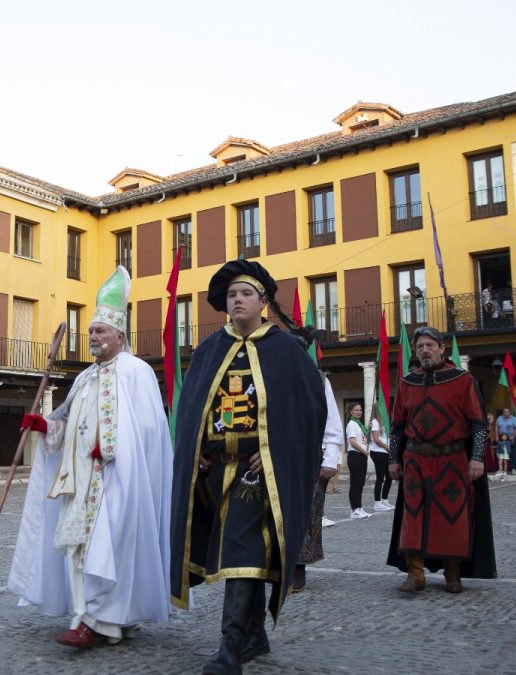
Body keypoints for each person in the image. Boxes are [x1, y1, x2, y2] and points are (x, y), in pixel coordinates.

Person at [170, 260, 326, 673]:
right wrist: (197, 449)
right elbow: (191, 408)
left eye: (246, 294)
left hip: (256, 474)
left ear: (263, 303)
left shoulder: (286, 350)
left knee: (242, 548)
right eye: (232, 295)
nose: (237, 300)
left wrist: (275, 448)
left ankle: (231, 646)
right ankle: (255, 636)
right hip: (214, 473)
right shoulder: (209, 350)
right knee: (245, 553)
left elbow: (308, 410)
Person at [8, 266, 173, 651]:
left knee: (110, 547)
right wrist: (46, 427)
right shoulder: (84, 378)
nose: (94, 337)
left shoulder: (136, 372)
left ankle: (103, 619)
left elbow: (151, 430)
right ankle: (90, 618)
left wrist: (114, 448)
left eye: (100, 331)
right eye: (91, 331)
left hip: (120, 481)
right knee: (77, 546)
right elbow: (68, 424)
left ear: (120, 336)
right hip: (81, 482)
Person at [386, 326, 496, 594]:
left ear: (442, 349)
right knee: (413, 515)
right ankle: (415, 573)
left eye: (430, 345)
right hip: (414, 460)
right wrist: (393, 459)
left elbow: (479, 424)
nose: (425, 350)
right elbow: (397, 426)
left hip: (452, 459)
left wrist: (477, 458)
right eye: (420, 346)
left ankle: (453, 573)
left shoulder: (463, 380)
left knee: (452, 516)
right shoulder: (407, 383)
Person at [294, 374, 345, 592]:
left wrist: (331, 458)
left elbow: (332, 422)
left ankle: (297, 568)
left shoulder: (318, 379)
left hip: (311, 457)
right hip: (275, 457)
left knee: (307, 514)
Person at [345, 402, 372, 519]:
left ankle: (359, 507)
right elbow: (352, 442)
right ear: (351, 411)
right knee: (355, 483)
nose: (359, 412)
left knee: (361, 483)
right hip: (355, 455)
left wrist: (369, 429)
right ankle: (354, 510)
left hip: (361, 455)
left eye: (360, 410)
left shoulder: (359, 424)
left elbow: (363, 439)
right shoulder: (351, 424)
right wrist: (364, 451)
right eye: (356, 410)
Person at [369, 415, 393, 511]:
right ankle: (377, 503)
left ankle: (384, 500)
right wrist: (386, 447)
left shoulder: (385, 423)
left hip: (385, 452)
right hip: (378, 452)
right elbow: (376, 439)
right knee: (380, 477)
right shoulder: (376, 422)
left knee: (389, 477)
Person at [496, 409, 516, 475]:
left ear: (510, 412)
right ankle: (501, 469)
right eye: (505, 412)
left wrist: (513, 436)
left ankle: (513, 468)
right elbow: (496, 427)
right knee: (501, 454)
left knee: (512, 453)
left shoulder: (513, 418)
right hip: (501, 439)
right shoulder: (499, 418)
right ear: (503, 413)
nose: (506, 413)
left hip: (510, 439)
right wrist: (497, 436)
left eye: (507, 412)